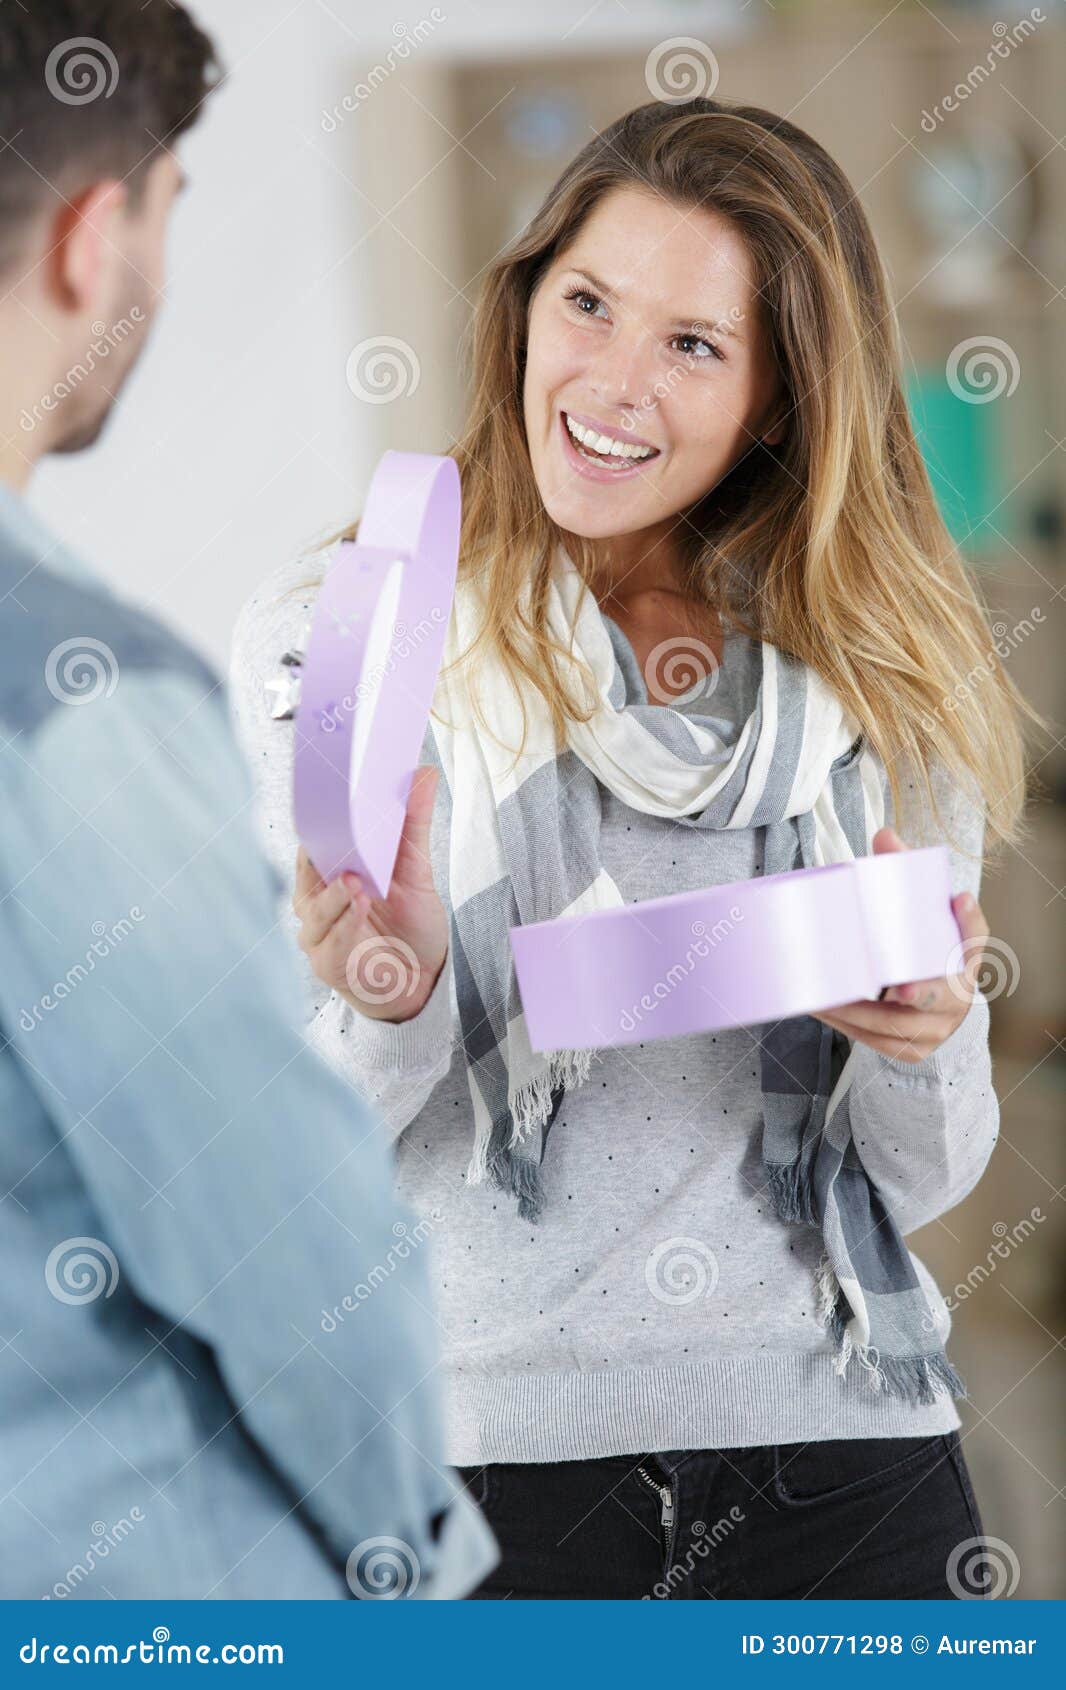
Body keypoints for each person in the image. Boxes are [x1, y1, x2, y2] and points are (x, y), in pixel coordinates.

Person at [231, 99, 1042, 1600]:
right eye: (589, 304)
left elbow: (918, 1178)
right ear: (524, 304)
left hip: (843, 1466)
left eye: (693, 344)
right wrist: (399, 991)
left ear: (779, 399)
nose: (611, 382)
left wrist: (928, 1038)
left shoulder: (877, 665)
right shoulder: (344, 634)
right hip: (483, 1471)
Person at [0, 1, 497, 1600]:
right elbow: (272, 1232)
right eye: (167, 209)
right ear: (92, 237)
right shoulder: (70, 689)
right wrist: (417, 1546)